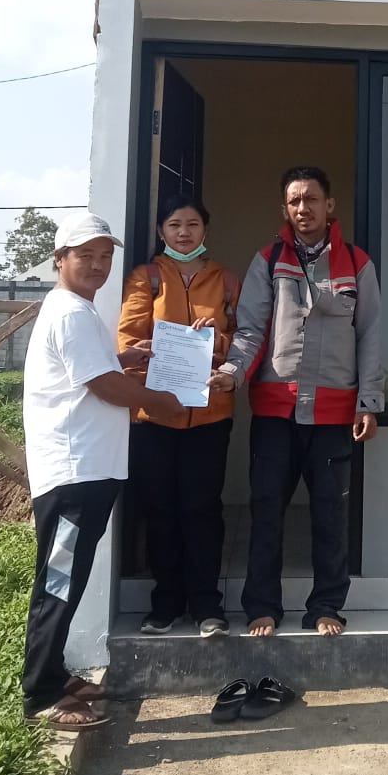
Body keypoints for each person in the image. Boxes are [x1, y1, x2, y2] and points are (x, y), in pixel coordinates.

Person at [21, 214, 185, 730]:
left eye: (105, 256)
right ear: (59, 260)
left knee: (66, 577)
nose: (97, 265)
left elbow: (92, 371)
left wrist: (122, 357)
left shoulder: (79, 310)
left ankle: (54, 674)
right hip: (74, 472)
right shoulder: (70, 312)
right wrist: (160, 401)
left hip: (88, 469)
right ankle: (41, 694)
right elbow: (105, 387)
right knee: (59, 580)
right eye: (84, 255)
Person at [211, 166, 383, 638]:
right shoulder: (268, 261)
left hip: (332, 415)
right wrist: (231, 373)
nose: (303, 209)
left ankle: (326, 606)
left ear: (329, 206)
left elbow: (370, 336)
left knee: (330, 514)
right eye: (294, 201)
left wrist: (368, 401)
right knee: (266, 510)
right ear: (284, 209)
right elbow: (251, 330)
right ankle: (262, 606)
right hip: (275, 412)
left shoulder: (357, 263)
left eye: (311, 199)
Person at [118, 192, 241, 638]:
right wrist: (152, 353)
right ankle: (166, 603)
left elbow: (245, 338)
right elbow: (127, 340)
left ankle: (207, 604)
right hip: (155, 415)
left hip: (209, 414)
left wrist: (216, 342)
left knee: (202, 508)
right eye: (174, 225)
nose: (183, 233)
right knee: (161, 509)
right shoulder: (145, 278)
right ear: (161, 231)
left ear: (205, 229)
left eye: (192, 224)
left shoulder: (226, 280)